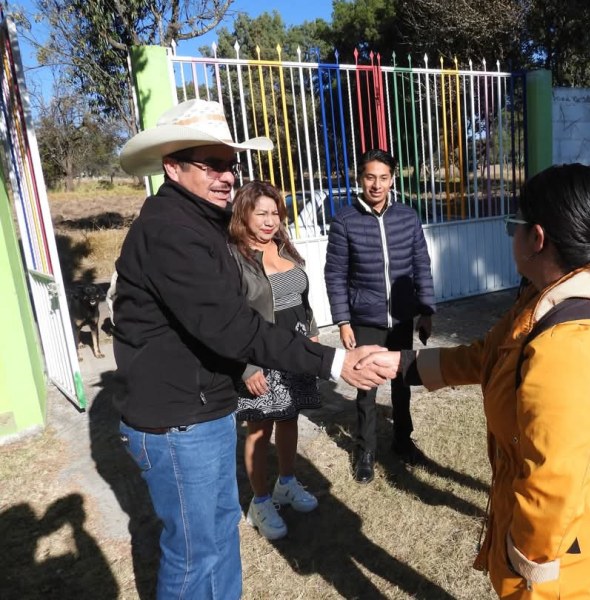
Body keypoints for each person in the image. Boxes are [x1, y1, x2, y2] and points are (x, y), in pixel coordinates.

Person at [113, 99, 393, 600]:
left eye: (230, 164)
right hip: (177, 422)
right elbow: (233, 327)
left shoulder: (201, 222)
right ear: (172, 167)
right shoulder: (171, 231)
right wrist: (332, 360)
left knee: (219, 539)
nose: (225, 176)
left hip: (202, 412)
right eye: (210, 163)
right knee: (194, 557)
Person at [359, 163, 590, 598]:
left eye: (513, 225)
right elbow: (488, 357)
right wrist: (403, 365)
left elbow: (553, 482)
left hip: (570, 572)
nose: (510, 235)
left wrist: (525, 572)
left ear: (536, 239)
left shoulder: (571, 344)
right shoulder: (542, 301)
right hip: (564, 553)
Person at [324, 148, 436, 484]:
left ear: (392, 179)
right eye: (370, 177)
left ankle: (403, 440)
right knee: (367, 389)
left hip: (402, 317)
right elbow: (336, 274)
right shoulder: (345, 220)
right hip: (366, 318)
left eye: (383, 178)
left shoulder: (407, 217)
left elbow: (421, 266)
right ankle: (366, 451)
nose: (376, 184)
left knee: (403, 384)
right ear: (360, 178)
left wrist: (426, 310)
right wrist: (343, 321)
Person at [228, 181, 321, 541]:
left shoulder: (284, 246)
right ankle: (260, 501)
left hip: (295, 351)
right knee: (259, 428)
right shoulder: (235, 257)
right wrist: (245, 367)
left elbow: (302, 298)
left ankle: (286, 482)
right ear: (244, 214)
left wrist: (312, 334)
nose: (270, 221)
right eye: (261, 213)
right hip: (260, 357)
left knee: (289, 419)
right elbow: (231, 318)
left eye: (275, 213)